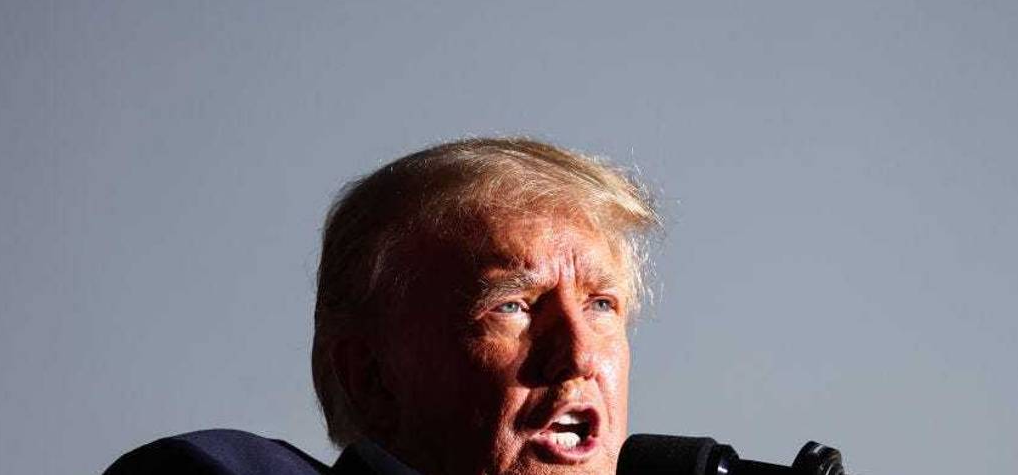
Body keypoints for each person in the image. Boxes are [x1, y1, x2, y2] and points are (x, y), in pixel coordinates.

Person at [104, 137, 658, 475]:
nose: (580, 355)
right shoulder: (215, 472)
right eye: (513, 306)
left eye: (601, 304)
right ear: (371, 377)